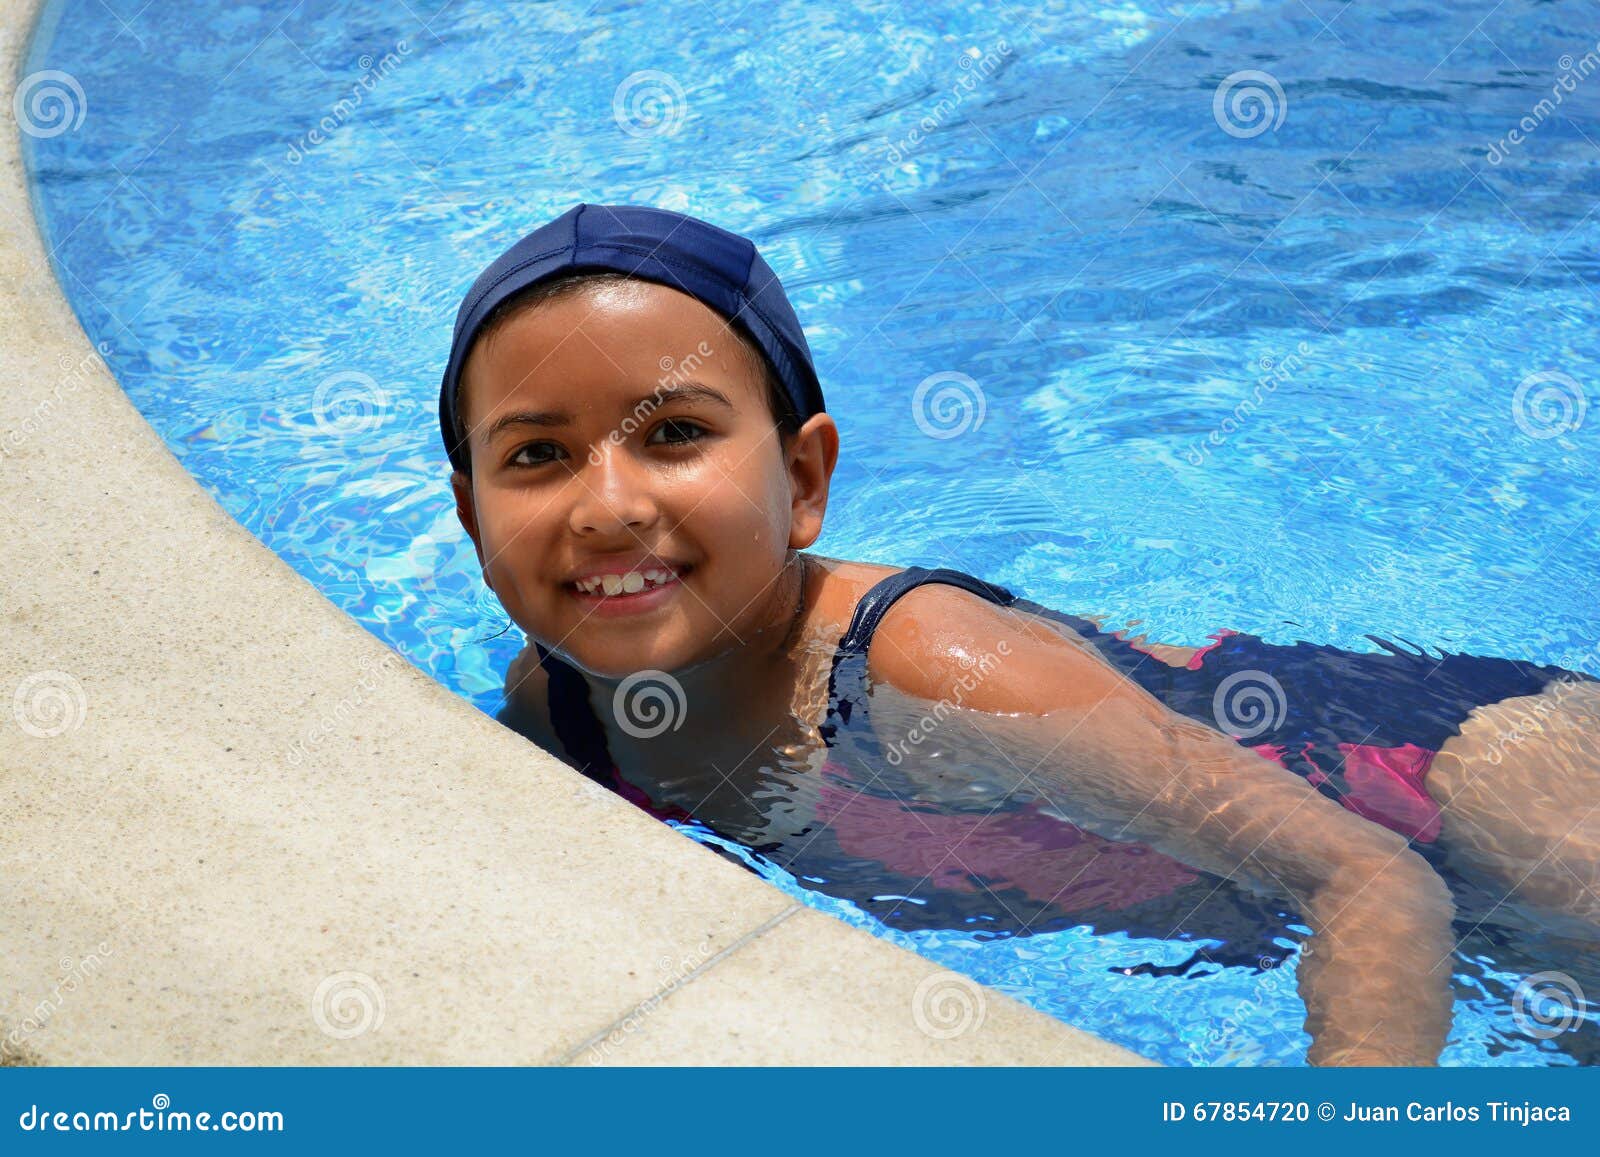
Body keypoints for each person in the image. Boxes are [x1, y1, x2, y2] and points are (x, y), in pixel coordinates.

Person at [439, 203, 1599, 1066]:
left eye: (675, 433)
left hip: (1459, 773)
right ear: (469, 510)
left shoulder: (926, 671)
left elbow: (1363, 876)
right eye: (536, 454)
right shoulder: (561, 708)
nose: (607, 507)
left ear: (802, 480)